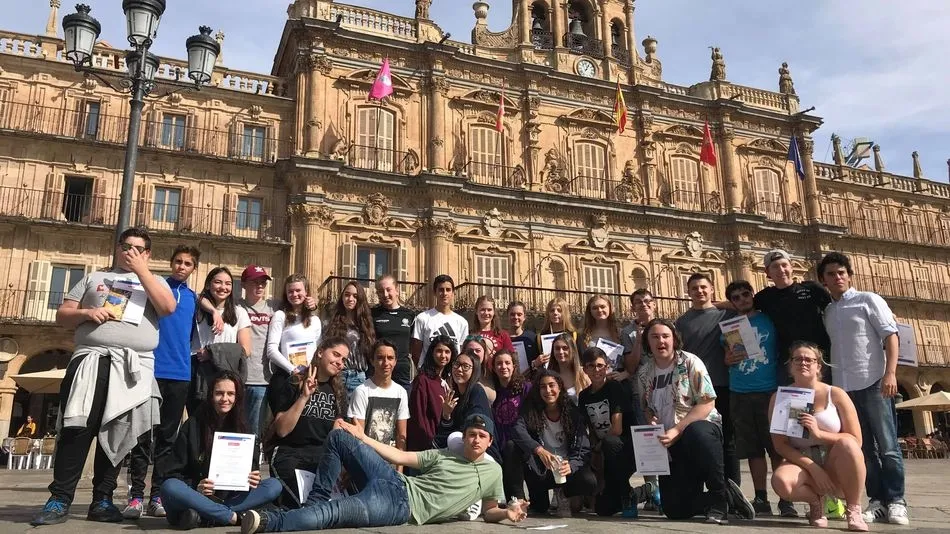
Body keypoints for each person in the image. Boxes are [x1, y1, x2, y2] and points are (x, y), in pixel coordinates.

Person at [32, 227, 175, 526]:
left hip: (133, 366)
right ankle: (59, 499)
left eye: (138, 248)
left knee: (119, 433)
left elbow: (167, 307)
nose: (130, 252)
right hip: (91, 360)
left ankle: (103, 500)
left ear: (147, 253)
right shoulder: (93, 277)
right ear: (118, 248)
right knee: (76, 428)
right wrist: (86, 313)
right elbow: (62, 315)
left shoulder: (156, 281)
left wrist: (142, 271)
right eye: (126, 246)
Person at [239, 414, 529, 533]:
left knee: (333, 513)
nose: (476, 440)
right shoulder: (444, 455)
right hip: (393, 480)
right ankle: (315, 500)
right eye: (471, 434)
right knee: (341, 436)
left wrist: (507, 514)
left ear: (490, 441)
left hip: (400, 507)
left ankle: (269, 522)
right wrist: (362, 437)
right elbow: (400, 456)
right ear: (463, 437)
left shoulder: (493, 471)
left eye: (481, 436)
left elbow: (489, 510)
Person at [818, 252, 907, 526]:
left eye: (842, 272)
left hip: (873, 382)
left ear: (849, 275)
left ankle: (898, 501)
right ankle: (877, 500)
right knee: (863, 448)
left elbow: (891, 336)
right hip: (845, 389)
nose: (838, 277)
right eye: (831, 274)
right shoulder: (828, 311)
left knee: (889, 446)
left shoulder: (869, 300)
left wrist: (890, 373)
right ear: (824, 280)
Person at [636, 318, 754, 524]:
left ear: (674, 339)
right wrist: (650, 419)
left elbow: (707, 402)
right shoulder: (644, 373)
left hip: (699, 434)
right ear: (647, 341)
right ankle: (728, 497)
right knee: (674, 509)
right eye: (654, 337)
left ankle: (718, 499)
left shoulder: (690, 362)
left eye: (665, 336)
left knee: (696, 431)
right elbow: (646, 407)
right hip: (670, 443)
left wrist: (678, 429)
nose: (660, 341)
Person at [124, 244, 200, 519]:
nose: (181, 267)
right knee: (143, 435)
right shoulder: (155, 287)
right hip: (151, 369)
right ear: (171, 263)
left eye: (187, 263)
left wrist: (214, 312)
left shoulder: (193, 297)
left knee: (168, 437)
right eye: (178, 261)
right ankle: (135, 496)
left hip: (180, 373)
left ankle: (157, 494)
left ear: (194, 268)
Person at [160, 371, 282, 529]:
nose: (225, 399)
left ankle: (206, 517)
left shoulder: (244, 429)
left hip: (229, 498)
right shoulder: (193, 425)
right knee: (170, 486)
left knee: (274, 485)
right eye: (219, 393)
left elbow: (251, 471)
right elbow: (172, 473)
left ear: (237, 397)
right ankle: (232, 517)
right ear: (211, 395)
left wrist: (253, 479)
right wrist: (197, 485)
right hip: (196, 496)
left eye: (230, 394)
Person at [770, 342, 868, 531]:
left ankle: (854, 509)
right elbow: (780, 445)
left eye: (809, 359)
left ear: (818, 366)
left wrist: (819, 434)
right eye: (797, 359)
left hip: (835, 458)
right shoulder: (780, 398)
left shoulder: (836, 394)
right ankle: (816, 503)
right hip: (802, 460)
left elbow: (856, 440)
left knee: (849, 445)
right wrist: (813, 468)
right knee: (781, 482)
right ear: (790, 366)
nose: (803, 363)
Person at [723, 280, 796, 518]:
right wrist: (729, 359)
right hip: (740, 391)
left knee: (777, 447)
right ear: (732, 302)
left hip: (770, 391)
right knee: (753, 449)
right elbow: (727, 356)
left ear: (752, 295)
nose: (742, 299)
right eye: (736, 297)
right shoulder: (730, 325)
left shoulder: (768, 319)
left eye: (746, 294)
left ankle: (786, 499)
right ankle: (761, 497)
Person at [266, 337, 349, 508]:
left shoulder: (339, 393)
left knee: (333, 506)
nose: (340, 362)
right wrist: (304, 396)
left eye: (344, 360)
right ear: (320, 352)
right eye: (336, 355)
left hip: (321, 457)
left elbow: (336, 435)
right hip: (290, 454)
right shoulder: (294, 382)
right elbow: (281, 430)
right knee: (302, 505)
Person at [675, 273, 740, 486]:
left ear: (712, 289)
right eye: (694, 288)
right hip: (695, 391)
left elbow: (741, 345)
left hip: (723, 384)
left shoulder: (727, 315)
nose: (700, 291)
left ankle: (733, 488)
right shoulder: (681, 322)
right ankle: (708, 487)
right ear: (688, 292)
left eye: (704, 287)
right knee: (700, 438)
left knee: (728, 440)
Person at [578, 347, 656, 517]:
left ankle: (627, 496)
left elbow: (617, 429)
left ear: (607, 367)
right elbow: (590, 428)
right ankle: (644, 491)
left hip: (625, 449)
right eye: (591, 366)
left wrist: (598, 448)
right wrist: (593, 450)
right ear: (584, 369)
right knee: (603, 509)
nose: (596, 370)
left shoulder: (614, 388)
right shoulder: (584, 396)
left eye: (600, 365)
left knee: (609, 442)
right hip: (606, 453)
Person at [511, 370, 596, 518]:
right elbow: (517, 430)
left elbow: (583, 446)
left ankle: (564, 492)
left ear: (560, 387)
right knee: (540, 508)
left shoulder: (571, 412)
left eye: (552, 385)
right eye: (543, 387)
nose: (548, 390)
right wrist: (538, 449)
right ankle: (520, 500)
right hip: (542, 468)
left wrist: (572, 465)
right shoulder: (531, 408)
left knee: (589, 482)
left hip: (565, 467)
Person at [754, 249, 832, 385]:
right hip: (788, 361)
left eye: (784, 265)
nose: (781, 270)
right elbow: (742, 306)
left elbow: (835, 307)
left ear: (791, 266)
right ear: (767, 273)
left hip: (818, 358)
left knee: (823, 399)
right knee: (793, 403)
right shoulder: (764, 297)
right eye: (775, 267)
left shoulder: (812, 289)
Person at [189, 267, 253, 414]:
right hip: (199, 369)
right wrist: (214, 312)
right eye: (218, 282)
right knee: (198, 416)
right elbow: (198, 298)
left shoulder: (239, 313)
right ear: (208, 285)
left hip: (226, 372)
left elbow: (246, 350)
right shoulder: (198, 309)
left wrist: (212, 352)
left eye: (228, 283)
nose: (223, 287)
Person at [434, 350, 500, 462]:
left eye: (465, 366)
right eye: (456, 364)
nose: (459, 369)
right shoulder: (455, 394)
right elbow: (445, 432)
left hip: (484, 452)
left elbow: (476, 427)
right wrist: (446, 414)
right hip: (466, 447)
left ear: (474, 371)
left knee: (454, 439)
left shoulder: (477, 392)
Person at [347, 340, 409, 458]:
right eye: (380, 358)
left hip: (390, 462)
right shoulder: (362, 391)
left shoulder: (401, 392)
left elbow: (401, 436)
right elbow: (357, 437)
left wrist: (399, 470)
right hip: (366, 460)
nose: (386, 363)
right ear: (372, 361)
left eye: (390, 358)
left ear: (395, 362)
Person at [491, 349, 530, 500]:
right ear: (493, 368)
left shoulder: (525, 388)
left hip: (522, 444)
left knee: (541, 506)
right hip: (500, 444)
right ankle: (515, 499)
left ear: (514, 366)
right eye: (499, 363)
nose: (503, 367)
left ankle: (519, 497)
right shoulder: (493, 391)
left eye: (507, 363)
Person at [325, 281, 376, 396]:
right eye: (347, 295)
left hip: (359, 378)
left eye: (355, 296)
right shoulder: (332, 322)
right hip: (337, 376)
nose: (350, 299)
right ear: (342, 297)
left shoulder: (365, 323)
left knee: (356, 413)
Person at [266, 275, 321, 376]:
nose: (294, 294)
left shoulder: (315, 320)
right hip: (288, 375)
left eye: (298, 290)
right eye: (290, 291)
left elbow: (318, 350)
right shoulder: (280, 316)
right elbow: (271, 350)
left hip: (309, 376)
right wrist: (293, 369)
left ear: (306, 292)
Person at [406, 336, 454, 452]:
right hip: (425, 448)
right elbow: (418, 416)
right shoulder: (423, 380)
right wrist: (430, 443)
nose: (443, 355)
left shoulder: (448, 381)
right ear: (431, 353)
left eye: (447, 352)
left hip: (443, 444)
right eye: (439, 351)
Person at [410, 274, 468, 369]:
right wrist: (422, 371)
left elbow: (462, 351)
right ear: (435, 292)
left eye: (448, 290)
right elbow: (416, 352)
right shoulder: (422, 318)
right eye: (441, 290)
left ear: (453, 293)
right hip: (428, 374)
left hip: (452, 375)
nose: (444, 293)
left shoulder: (462, 322)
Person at [371, 275, 417, 391]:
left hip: (402, 373)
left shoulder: (409, 315)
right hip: (380, 371)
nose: (385, 294)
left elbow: (414, 344)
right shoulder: (372, 314)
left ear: (397, 290)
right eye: (381, 291)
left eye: (388, 289)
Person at [539, 333, 589, 402]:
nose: (561, 352)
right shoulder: (547, 376)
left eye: (565, 348)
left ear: (573, 350)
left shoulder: (583, 374)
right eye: (557, 348)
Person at [471, 295, 515, 364]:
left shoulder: (503, 335)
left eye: (489, 310)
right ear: (476, 311)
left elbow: (512, 359)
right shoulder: (470, 335)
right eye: (482, 309)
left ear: (494, 312)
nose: (486, 313)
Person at [535, 298, 577, 369]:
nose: (555, 313)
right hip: (549, 375)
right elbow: (533, 362)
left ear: (565, 313)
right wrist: (536, 362)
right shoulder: (540, 337)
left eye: (559, 310)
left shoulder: (574, 335)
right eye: (552, 310)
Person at [462, 335, 496, 403]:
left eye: (478, 350)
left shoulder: (491, 374)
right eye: (470, 350)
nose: (474, 353)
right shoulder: (459, 373)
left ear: (484, 353)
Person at [507, 301, 539, 368]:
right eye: (512, 314)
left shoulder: (532, 337)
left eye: (519, 314)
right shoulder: (502, 337)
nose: (516, 317)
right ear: (507, 316)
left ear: (524, 317)